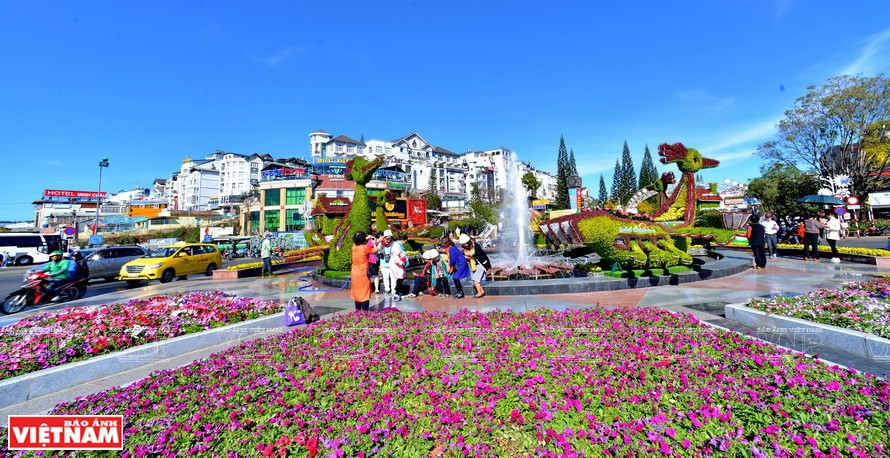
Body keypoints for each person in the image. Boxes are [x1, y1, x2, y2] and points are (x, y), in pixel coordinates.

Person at [351, 231, 381, 311]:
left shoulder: (354, 246)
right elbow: (375, 250)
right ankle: (365, 311)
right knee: (364, 292)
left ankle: (357, 310)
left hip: (355, 272)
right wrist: (373, 241)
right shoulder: (365, 247)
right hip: (363, 273)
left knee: (357, 292)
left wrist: (366, 238)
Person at [459, 233, 491, 298]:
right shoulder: (467, 247)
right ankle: (481, 291)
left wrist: (471, 255)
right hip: (474, 264)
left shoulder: (475, 246)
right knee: (474, 278)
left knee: (476, 279)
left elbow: (479, 255)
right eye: (463, 244)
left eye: (465, 244)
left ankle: (479, 293)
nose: (464, 245)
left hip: (480, 264)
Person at [387, 232, 408, 301]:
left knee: (398, 278)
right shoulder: (397, 246)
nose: (405, 242)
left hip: (397, 265)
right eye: (405, 241)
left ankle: (396, 292)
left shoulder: (397, 245)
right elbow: (395, 256)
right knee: (399, 278)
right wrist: (400, 262)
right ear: (402, 240)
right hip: (396, 265)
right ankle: (396, 292)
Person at [377, 229, 395, 294]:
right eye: (386, 238)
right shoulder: (381, 244)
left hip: (392, 263)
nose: (388, 240)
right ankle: (387, 289)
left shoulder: (393, 243)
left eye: (389, 238)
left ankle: (393, 289)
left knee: (393, 277)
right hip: (384, 263)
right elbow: (378, 251)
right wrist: (382, 252)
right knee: (386, 277)